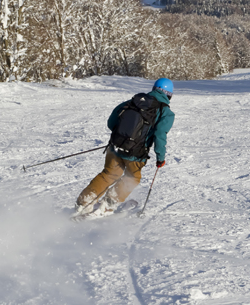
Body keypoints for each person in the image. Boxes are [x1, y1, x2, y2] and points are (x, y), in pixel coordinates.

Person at [75, 78, 175, 216]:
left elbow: (111, 122)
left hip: (115, 147)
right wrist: (160, 157)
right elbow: (160, 135)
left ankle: (84, 202)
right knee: (132, 178)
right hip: (136, 153)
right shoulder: (166, 112)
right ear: (169, 94)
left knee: (109, 174)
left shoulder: (133, 101)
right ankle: (108, 204)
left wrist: (122, 137)